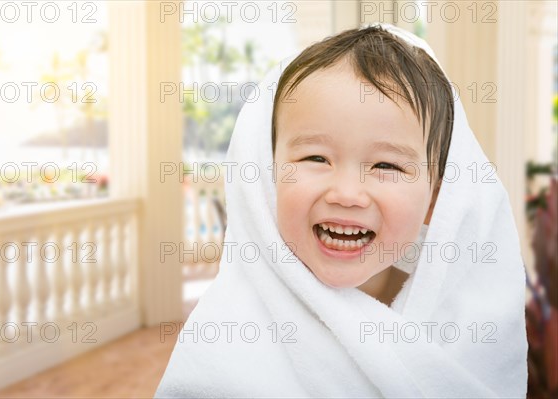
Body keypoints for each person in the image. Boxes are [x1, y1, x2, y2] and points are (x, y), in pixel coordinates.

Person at [155, 23, 527, 398]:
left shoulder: (466, 324)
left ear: (436, 199)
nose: (347, 194)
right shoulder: (226, 336)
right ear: (267, 178)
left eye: (387, 166)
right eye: (316, 157)